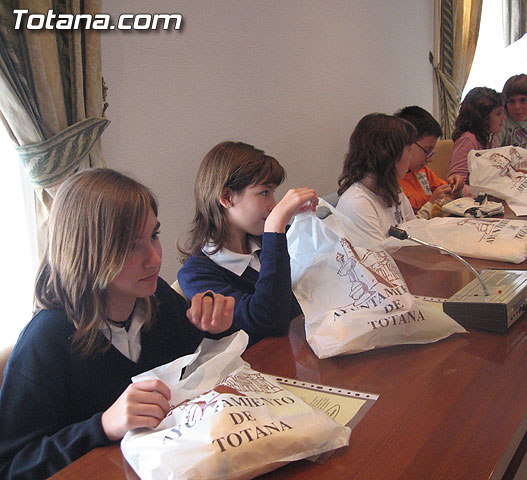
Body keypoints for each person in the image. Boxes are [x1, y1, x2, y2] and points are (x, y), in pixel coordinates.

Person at [0, 168, 234, 478]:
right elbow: (13, 466)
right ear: (87, 252)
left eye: (154, 235)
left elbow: (200, 376)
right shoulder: (46, 339)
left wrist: (218, 330)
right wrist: (101, 426)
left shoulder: (155, 298)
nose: (153, 258)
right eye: (130, 246)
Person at [178, 141, 317, 347]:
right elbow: (270, 322)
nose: (273, 205)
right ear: (227, 197)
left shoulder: (268, 241)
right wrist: (275, 227)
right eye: (264, 193)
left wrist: (302, 229)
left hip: (305, 350)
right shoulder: (197, 275)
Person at [336, 113, 417, 243]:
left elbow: (416, 232)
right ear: (389, 155)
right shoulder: (357, 203)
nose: (410, 157)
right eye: (409, 150)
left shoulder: (392, 189)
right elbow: (383, 258)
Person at [394, 106, 467, 219]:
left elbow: (446, 193)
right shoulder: (393, 183)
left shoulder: (422, 172)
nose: (430, 158)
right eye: (427, 151)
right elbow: (407, 226)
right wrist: (432, 203)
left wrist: (455, 188)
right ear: (406, 144)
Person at [448, 87, 506, 183]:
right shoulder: (468, 140)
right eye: (498, 113)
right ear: (483, 117)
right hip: (475, 196)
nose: (504, 117)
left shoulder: (491, 136)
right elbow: (455, 184)